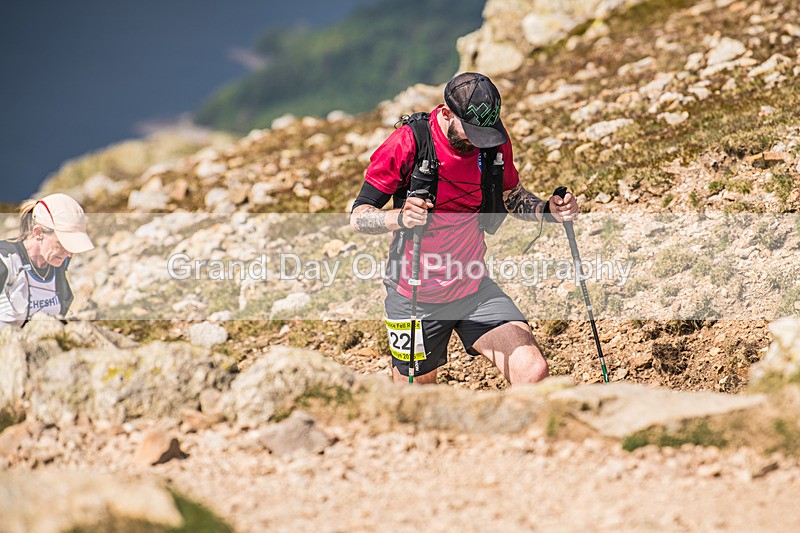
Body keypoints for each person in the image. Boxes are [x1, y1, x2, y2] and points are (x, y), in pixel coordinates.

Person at [350, 72, 579, 385]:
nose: (477, 141)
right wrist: (399, 217)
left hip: (473, 286)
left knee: (533, 371)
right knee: (417, 397)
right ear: (446, 113)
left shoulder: (492, 140)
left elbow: (512, 196)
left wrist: (548, 211)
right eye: (470, 131)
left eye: (484, 133)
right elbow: (359, 215)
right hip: (414, 294)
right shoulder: (410, 141)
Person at [0, 193, 94, 329]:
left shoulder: (58, 261)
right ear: (38, 233)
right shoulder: (5, 262)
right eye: (62, 243)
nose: (69, 253)